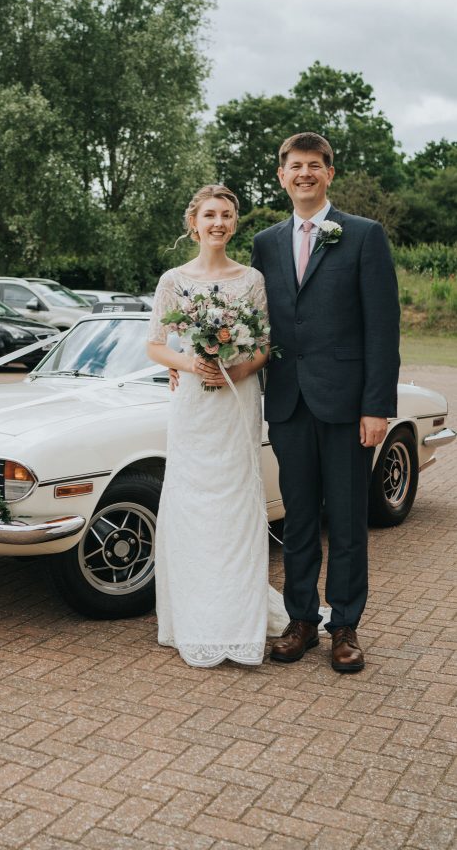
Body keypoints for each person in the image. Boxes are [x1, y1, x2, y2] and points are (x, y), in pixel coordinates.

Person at [251, 132, 400, 672]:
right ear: (281, 175)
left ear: (329, 174)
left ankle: (345, 626)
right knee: (296, 522)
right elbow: (256, 326)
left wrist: (377, 406)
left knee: (346, 518)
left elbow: (382, 329)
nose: (305, 173)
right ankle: (301, 621)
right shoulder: (265, 243)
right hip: (289, 403)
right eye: (295, 166)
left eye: (315, 165)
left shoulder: (363, 236)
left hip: (347, 406)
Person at [146, 184, 289, 668]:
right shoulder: (173, 280)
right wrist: (190, 363)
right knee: (192, 502)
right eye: (210, 215)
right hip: (192, 405)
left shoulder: (251, 279)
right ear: (194, 223)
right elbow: (156, 345)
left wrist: (240, 367)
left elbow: (265, 343)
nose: (218, 223)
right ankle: (192, 616)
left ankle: (236, 618)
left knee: (233, 500)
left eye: (227, 215)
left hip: (237, 400)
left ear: (234, 223)